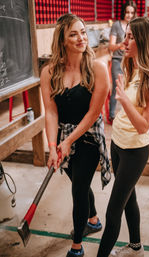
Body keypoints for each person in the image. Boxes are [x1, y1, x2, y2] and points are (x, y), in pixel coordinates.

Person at [97, 17, 149, 257]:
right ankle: (136, 246)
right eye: (125, 36)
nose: (124, 42)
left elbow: (143, 126)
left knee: (112, 210)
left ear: (144, 40)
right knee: (129, 198)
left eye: (130, 37)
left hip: (134, 152)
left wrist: (124, 101)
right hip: (116, 144)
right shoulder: (131, 66)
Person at [40, 13, 111, 257]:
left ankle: (77, 246)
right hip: (63, 136)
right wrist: (52, 145)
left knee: (78, 188)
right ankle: (93, 220)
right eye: (73, 34)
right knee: (78, 182)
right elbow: (50, 112)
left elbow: (93, 114)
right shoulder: (49, 72)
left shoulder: (98, 69)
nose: (81, 38)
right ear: (62, 40)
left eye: (83, 32)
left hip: (89, 136)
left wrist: (68, 141)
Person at [108, 0, 136, 124]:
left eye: (132, 13)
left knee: (130, 88)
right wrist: (121, 44)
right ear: (123, 12)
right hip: (117, 60)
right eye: (127, 12)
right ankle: (112, 115)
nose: (129, 15)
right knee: (116, 88)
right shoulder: (116, 25)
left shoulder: (135, 26)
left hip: (130, 61)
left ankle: (128, 115)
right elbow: (111, 46)